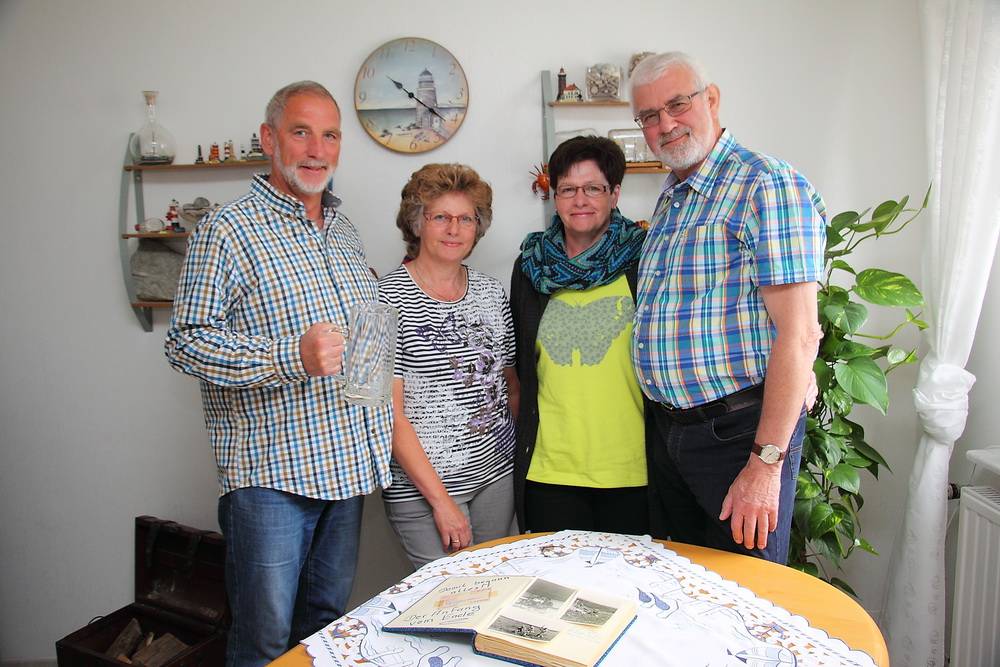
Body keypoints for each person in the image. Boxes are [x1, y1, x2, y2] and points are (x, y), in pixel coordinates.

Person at [164, 81, 392, 666]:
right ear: (269, 139)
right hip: (271, 481)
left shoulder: (343, 230)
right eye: (301, 132)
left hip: (344, 470)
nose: (317, 149)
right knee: (263, 644)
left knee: (322, 632)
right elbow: (186, 343)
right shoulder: (227, 230)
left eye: (330, 135)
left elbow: (359, 338)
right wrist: (290, 357)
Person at [629, 52, 826, 564]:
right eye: (649, 116)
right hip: (672, 432)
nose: (665, 124)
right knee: (682, 591)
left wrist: (764, 465)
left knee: (745, 596)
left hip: (739, 439)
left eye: (677, 104)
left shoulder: (766, 184)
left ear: (711, 99)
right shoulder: (674, 196)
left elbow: (801, 333)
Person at [377, 163, 518, 569]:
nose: (454, 229)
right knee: (450, 595)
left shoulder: (490, 292)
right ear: (417, 222)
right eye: (441, 217)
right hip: (424, 491)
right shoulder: (385, 298)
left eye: (466, 219)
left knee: (497, 585)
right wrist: (441, 502)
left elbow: (509, 384)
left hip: (496, 477)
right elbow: (388, 413)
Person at [510, 136, 650, 535]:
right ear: (554, 196)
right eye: (568, 189)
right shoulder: (531, 266)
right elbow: (521, 366)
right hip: (550, 470)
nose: (580, 200)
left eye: (593, 188)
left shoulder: (644, 260)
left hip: (632, 470)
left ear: (614, 193)